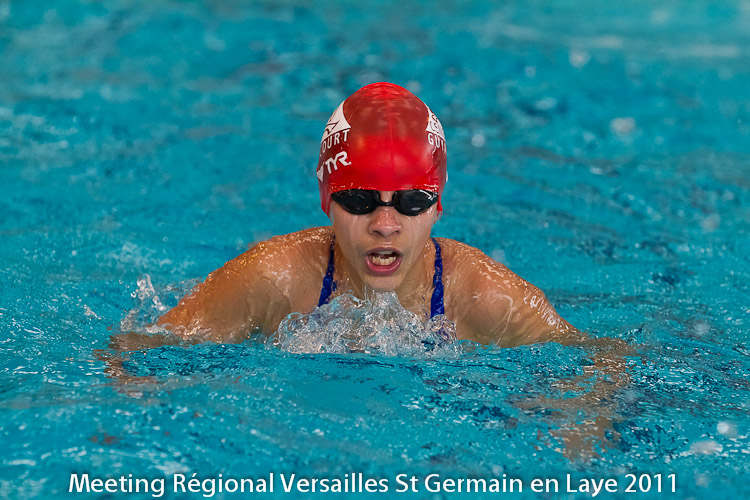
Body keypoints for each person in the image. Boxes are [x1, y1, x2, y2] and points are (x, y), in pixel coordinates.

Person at [155, 82, 579, 347]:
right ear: (327, 201)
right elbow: (141, 353)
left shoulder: (487, 299)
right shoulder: (273, 280)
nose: (385, 225)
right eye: (359, 200)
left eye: (411, 201)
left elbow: (595, 370)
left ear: (438, 207)